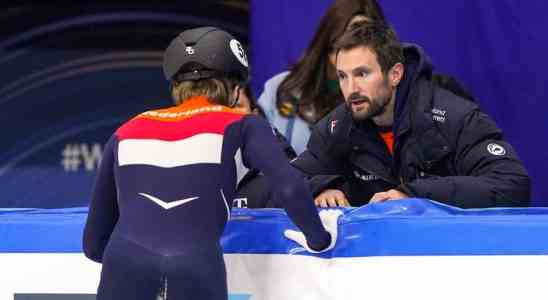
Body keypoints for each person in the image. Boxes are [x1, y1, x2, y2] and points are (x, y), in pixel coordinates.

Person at [82, 26, 340, 300]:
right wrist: (319, 240)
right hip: (195, 267)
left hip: (123, 268)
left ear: (175, 85)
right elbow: (290, 187)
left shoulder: (128, 129)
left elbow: (93, 244)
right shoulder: (243, 124)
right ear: (236, 89)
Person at [292, 21, 531, 208]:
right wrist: (320, 188)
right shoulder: (337, 126)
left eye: (362, 74)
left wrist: (413, 195)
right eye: (343, 76)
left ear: (395, 74)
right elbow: (285, 180)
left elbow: (512, 184)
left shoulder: (454, 118)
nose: (351, 89)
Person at [258, 0, 386, 155]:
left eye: (363, 40)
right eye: (345, 41)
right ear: (328, 39)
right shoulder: (280, 88)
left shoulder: (379, 106)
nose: (353, 49)